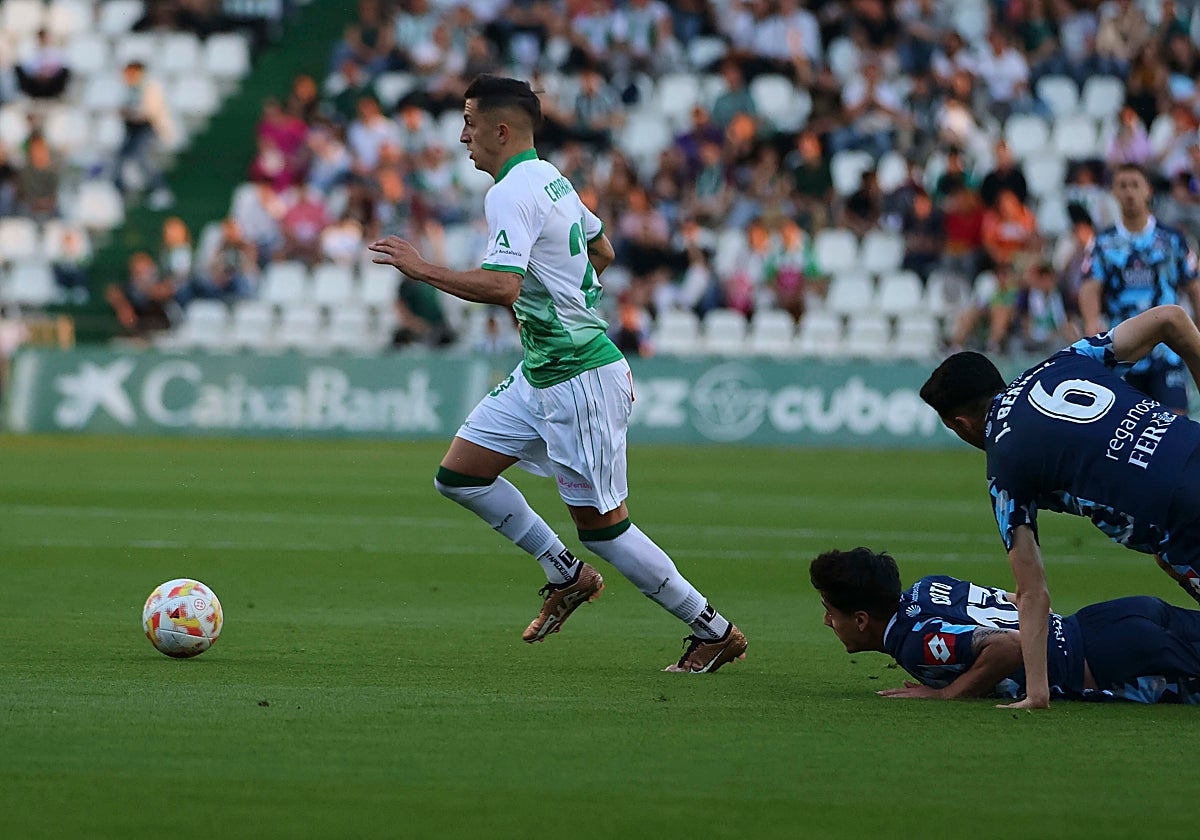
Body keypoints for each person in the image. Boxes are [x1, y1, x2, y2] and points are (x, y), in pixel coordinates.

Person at [369, 75, 746, 673]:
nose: (462, 135)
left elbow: (503, 284)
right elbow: (603, 251)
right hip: (540, 370)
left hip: (579, 379)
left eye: (469, 122)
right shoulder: (551, 178)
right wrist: (567, 291)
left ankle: (713, 628)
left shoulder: (512, 190)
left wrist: (421, 269)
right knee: (460, 477)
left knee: (605, 529)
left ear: (501, 129)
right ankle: (565, 574)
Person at [919, 304, 1200, 709]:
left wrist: (1037, 692)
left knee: (1170, 551)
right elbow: (1171, 318)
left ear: (961, 424)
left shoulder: (1005, 467)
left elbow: (1032, 593)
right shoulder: (1063, 361)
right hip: (1192, 452)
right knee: (1168, 558)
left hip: (1183, 515)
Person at [810, 547, 1200, 704]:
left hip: (1108, 659)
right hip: (1108, 619)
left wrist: (948, 695)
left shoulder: (914, 641)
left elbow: (1008, 646)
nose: (827, 621)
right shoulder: (930, 586)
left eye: (831, 611)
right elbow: (1015, 602)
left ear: (861, 620)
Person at [1079, 163, 1200, 414]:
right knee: (1125, 428)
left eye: (1135, 184)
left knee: (1175, 423)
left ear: (1148, 191)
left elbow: (1194, 286)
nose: (1129, 192)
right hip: (1123, 349)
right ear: (1113, 192)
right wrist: (1091, 321)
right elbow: (1090, 286)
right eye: (1122, 186)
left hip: (1168, 350)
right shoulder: (1102, 243)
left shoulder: (1173, 240)